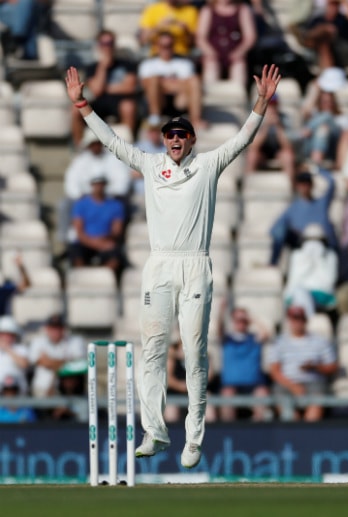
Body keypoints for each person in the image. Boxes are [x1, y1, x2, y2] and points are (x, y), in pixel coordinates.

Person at [65, 62, 281, 469]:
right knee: (152, 351)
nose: (175, 139)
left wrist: (261, 103)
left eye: (182, 134)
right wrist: (82, 104)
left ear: (192, 139)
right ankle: (156, 432)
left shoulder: (209, 164)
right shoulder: (150, 165)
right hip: (159, 266)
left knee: (195, 352)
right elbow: (113, 143)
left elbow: (242, 140)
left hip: (195, 265)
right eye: (170, 134)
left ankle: (194, 438)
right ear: (163, 139)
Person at [267, 305, 338, 422]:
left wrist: (315, 367)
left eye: (300, 318)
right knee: (280, 397)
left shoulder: (320, 341)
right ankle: (294, 432)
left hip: (313, 381)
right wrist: (292, 386)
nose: (297, 322)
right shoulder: (279, 342)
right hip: (286, 383)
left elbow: (333, 366)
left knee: (318, 398)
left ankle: (307, 433)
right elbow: (274, 371)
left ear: (305, 320)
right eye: (294, 319)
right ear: (289, 321)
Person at [72, 30, 139, 146]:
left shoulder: (126, 64)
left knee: (129, 106)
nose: (107, 47)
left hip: (119, 102)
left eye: (110, 43)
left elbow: (130, 87)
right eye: (104, 43)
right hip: (98, 104)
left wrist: (105, 87)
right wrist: (102, 66)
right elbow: (97, 91)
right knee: (75, 110)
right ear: (99, 46)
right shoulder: (92, 68)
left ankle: (129, 148)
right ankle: (79, 147)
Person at [269, 167, 337, 266]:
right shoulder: (293, 208)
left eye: (307, 183)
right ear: (298, 186)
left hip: (323, 245)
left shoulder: (322, 203)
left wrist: (315, 169)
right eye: (302, 184)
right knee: (280, 230)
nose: (305, 187)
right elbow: (276, 230)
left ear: (312, 185)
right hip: (301, 245)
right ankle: (273, 264)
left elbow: (332, 182)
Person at [138, 31, 205, 129]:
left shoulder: (184, 63)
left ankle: (196, 120)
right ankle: (155, 117)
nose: (166, 49)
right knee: (153, 80)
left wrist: (161, 85)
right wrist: (176, 84)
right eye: (163, 45)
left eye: (169, 45)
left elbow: (192, 85)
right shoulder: (147, 64)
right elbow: (145, 86)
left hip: (180, 101)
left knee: (195, 81)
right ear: (157, 46)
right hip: (160, 101)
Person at [216, 306, 269, 421]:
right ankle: (228, 433)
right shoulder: (227, 339)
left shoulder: (254, 338)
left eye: (244, 320)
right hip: (231, 385)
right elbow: (218, 328)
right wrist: (221, 311)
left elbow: (266, 333)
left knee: (262, 394)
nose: (241, 323)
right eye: (238, 320)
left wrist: (251, 318)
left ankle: (258, 430)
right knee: (227, 396)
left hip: (254, 385)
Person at [68, 175, 125, 272]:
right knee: (75, 253)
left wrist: (105, 240)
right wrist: (96, 243)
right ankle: (82, 278)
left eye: (101, 184)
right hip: (86, 242)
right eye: (96, 184)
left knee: (115, 256)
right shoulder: (81, 204)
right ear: (92, 186)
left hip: (106, 240)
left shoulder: (116, 205)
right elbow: (79, 231)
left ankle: (106, 279)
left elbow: (116, 230)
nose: (99, 187)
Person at [195, 0, 257, 85]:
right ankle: (211, 93)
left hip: (235, 51)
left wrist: (239, 52)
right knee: (211, 65)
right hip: (213, 51)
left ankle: (237, 94)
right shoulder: (208, 10)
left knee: (239, 65)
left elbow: (250, 37)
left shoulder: (242, 9)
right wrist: (210, 52)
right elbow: (201, 37)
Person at [283, 223, 339, 318]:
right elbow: (295, 280)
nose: (313, 244)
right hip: (298, 293)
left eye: (317, 240)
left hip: (322, 294)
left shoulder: (331, 256)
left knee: (300, 295)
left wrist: (320, 259)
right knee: (299, 293)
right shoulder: (297, 256)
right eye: (310, 240)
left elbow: (329, 282)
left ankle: (306, 321)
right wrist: (308, 259)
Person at [245, 95, 296, 177]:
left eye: (274, 105)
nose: (272, 108)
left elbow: (288, 146)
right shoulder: (256, 119)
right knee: (252, 155)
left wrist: (278, 126)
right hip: (262, 152)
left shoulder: (285, 118)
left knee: (288, 156)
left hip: (279, 151)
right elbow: (253, 146)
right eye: (269, 104)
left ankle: (291, 187)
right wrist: (266, 126)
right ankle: (247, 185)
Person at [0, 316, 29, 396]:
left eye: (10, 334)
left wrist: (7, 348)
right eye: (3, 334)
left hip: (18, 394)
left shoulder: (21, 348)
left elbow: (24, 364)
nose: (6, 337)